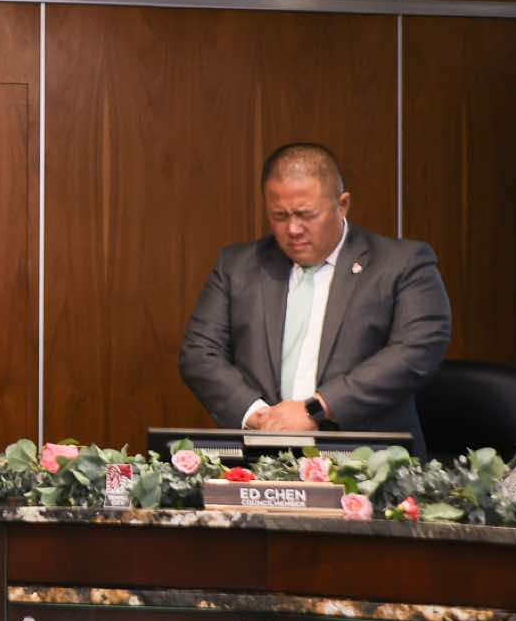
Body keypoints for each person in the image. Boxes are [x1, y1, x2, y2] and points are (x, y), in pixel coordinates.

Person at [180, 142, 451, 452]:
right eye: (279, 216)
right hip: (261, 455)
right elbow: (199, 353)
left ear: (342, 204)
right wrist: (258, 416)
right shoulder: (238, 266)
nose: (293, 229)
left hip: (367, 459)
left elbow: (417, 350)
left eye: (306, 214)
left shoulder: (401, 263)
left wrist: (317, 408)